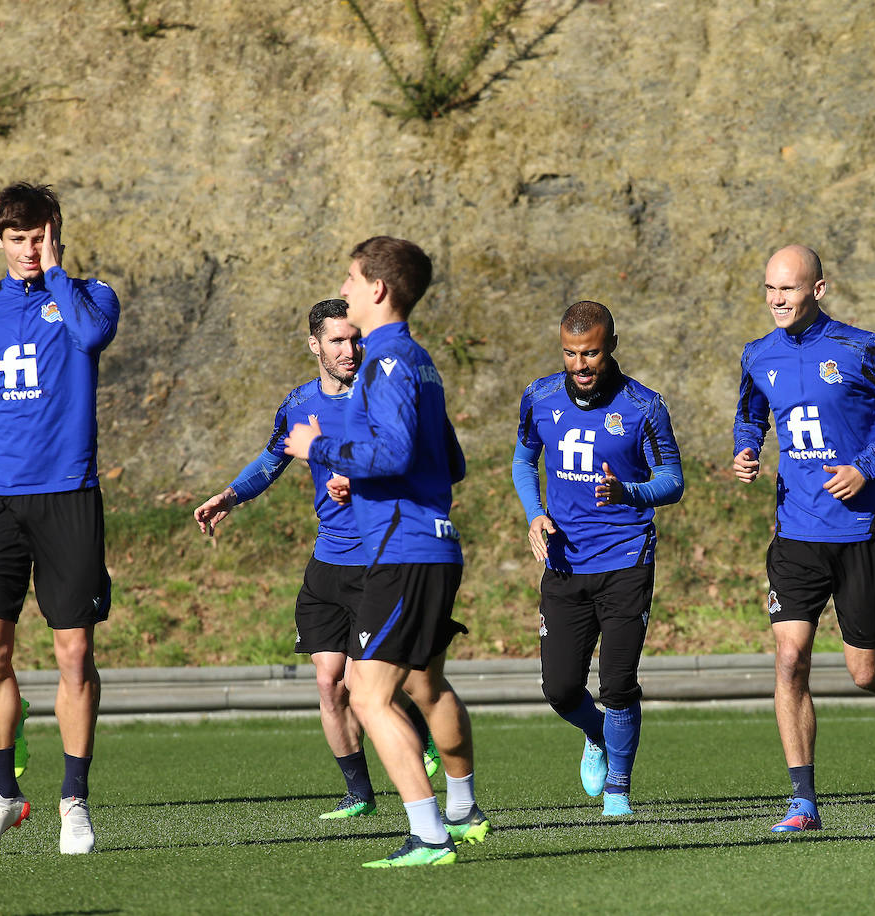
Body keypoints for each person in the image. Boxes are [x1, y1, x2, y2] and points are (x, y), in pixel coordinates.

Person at [192, 298, 442, 821]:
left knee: (361, 682)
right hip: (329, 559)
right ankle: (359, 793)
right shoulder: (299, 402)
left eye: (356, 339)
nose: (350, 350)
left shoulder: (384, 394)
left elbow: (415, 458)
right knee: (329, 683)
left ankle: (422, 736)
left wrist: (360, 475)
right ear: (315, 346)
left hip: (383, 557)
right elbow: (272, 457)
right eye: (337, 341)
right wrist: (230, 496)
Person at [284, 237, 481, 868]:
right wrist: (362, 476)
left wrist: (322, 452)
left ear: (377, 290)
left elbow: (395, 454)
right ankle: (454, 813)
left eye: (349, 278)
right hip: (421, 545)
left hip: (403, 550)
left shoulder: (388, 362)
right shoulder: (418, 361)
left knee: (367, 696)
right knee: (402, 685)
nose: (343, 289)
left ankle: (431, 834)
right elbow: (447, 460)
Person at [733, 244, 875, 833]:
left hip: (862, 530)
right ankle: (803, 800)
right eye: (769, 289)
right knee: (790, 660)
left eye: (788, 289)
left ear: (818, 289)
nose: (776, 300)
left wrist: (865, 466)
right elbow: (751, 414)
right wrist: (746, 449)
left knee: (864, 671)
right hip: (795, 530)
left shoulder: (859, 347)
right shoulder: (757, 355)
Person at [511, 300, 684, 817]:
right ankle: (596, 735)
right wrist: (535, 513)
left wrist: (629, 492)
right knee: (560, 688)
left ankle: (618, 789)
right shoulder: (538, 397)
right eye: (570, 353)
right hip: (564, 562)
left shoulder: (644, 405)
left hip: (627, 558)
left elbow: (672, 482)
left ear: (611, 346)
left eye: (590, 354)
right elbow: (524, 459)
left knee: (617, 682)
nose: (580, 365)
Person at [0, 183, 118, 854]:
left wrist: (57, 270)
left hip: (67, 493)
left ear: (56, 236)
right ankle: (4, 794)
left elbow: (90, 334)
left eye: (38, 236)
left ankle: (75, 800)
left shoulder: (90, 296)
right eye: (17, 238)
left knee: (74, 653)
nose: (27, 250)